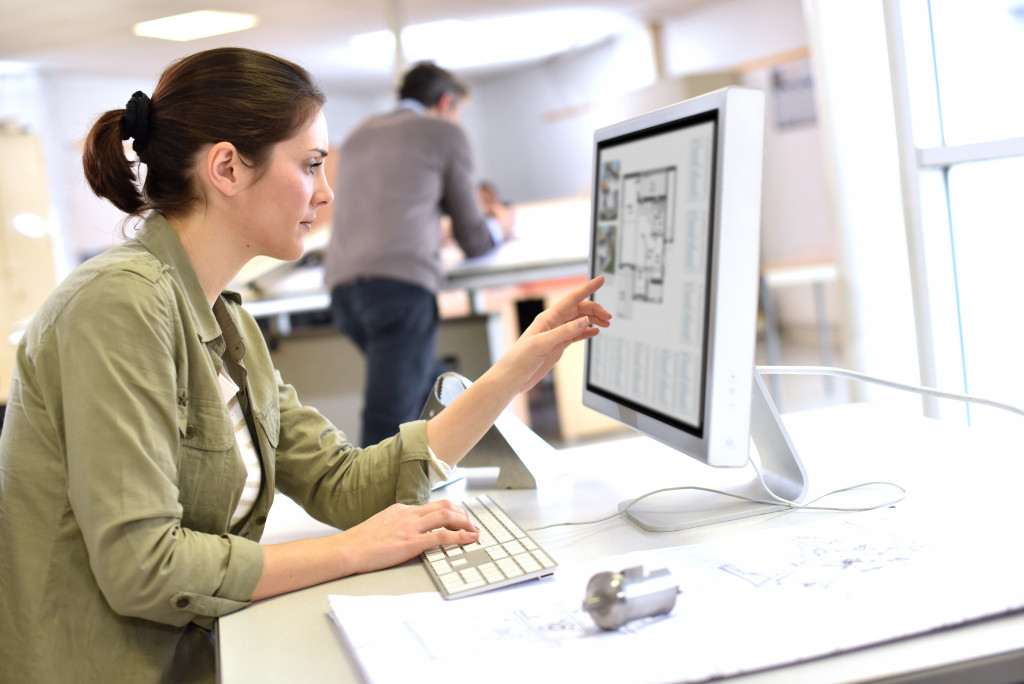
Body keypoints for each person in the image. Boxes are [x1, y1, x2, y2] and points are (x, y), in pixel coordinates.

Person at [0, 47, 610, 684]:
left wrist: (515, 366)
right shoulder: (117, 306)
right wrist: (349, 552)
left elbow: (343, 485)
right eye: (311, 164)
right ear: (228, 168)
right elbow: (145, 567)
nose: (327, 192)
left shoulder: (226, 320)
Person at [323, 61, 506, 447]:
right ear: (445, 102)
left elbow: (385, 210)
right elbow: (473, 237)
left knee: (436, 388)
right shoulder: (443, 132)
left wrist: (424, 232)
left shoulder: (358, 135)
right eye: (457, 111)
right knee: (388, 420)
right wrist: (500, 227)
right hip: (398, 293)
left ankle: (487, 459)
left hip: (343, 293)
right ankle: (374, 506)